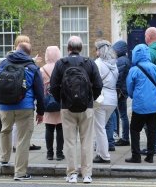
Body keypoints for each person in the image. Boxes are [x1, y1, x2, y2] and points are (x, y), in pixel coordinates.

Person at [50, 36, 102, 184]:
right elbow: (98, 84)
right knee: (86, 141)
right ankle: (87, 175)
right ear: (81, 49)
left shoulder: (61, 63)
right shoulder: (89, 62)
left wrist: (61, 101)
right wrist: (90, 99)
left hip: (67, 107)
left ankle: (72, 174)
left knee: (70, 141)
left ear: (67, 49)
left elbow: (54, 86)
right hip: (87, 107)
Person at [0, 42, 45, 180]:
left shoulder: (3, 64)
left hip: (4, 106)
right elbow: (40, 93)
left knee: (5, 130)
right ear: (29, 53)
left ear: (17, 50)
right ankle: (20, 173)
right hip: (25, 106)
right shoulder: (33, 67)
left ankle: (4, 159)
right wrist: (40, 112)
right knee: (22, 139)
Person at [125, 44, 156, 164]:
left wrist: (134, 96)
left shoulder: (134, 69)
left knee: (135, 129)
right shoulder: (154, 67)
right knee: (152, 130)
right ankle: (150, 156)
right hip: (155, 105)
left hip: (140, 105)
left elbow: (129, 88)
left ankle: (136, 156)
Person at [6, 35, 42, 153]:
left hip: (12, 96)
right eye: (27, 43)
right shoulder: (11, 58)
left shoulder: (10, 58)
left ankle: (24, 143)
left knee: (22, 125)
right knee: (18, 123)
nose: (29, 45)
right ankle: (16, 144)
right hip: (17, 96)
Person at [140, 27, 156, 155]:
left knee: (147, 122)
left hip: (151, 90)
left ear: (149, 37)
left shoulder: (150, 52)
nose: (144, 38)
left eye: (145, 35)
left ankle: (153, 147)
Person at [93, 40, 118, 164]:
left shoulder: (97, 63)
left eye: (96, 49)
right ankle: (99, 153)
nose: (96, 52)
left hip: (101, 98)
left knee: (99, 128)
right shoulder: (114, 64)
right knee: (101, 126)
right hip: (113, 99)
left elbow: (94, 81)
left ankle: (104, 156)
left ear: (100, 50)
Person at [40, 46, 64, 161]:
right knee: (60, 128)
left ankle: (49, 154)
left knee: (49, 128)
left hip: (47, 101)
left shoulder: (42, 69)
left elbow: (39, 88)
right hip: (60, 100)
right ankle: (59, 153)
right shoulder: (62, 67)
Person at [112, 40, 131, 146]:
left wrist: (116, 88)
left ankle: (125, 138)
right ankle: (124, 137)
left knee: (123, 115)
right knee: (122, 114)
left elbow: (118, 78)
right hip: (124, 90)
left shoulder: (120, 61)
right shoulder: (125, 59)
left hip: (121, 91)